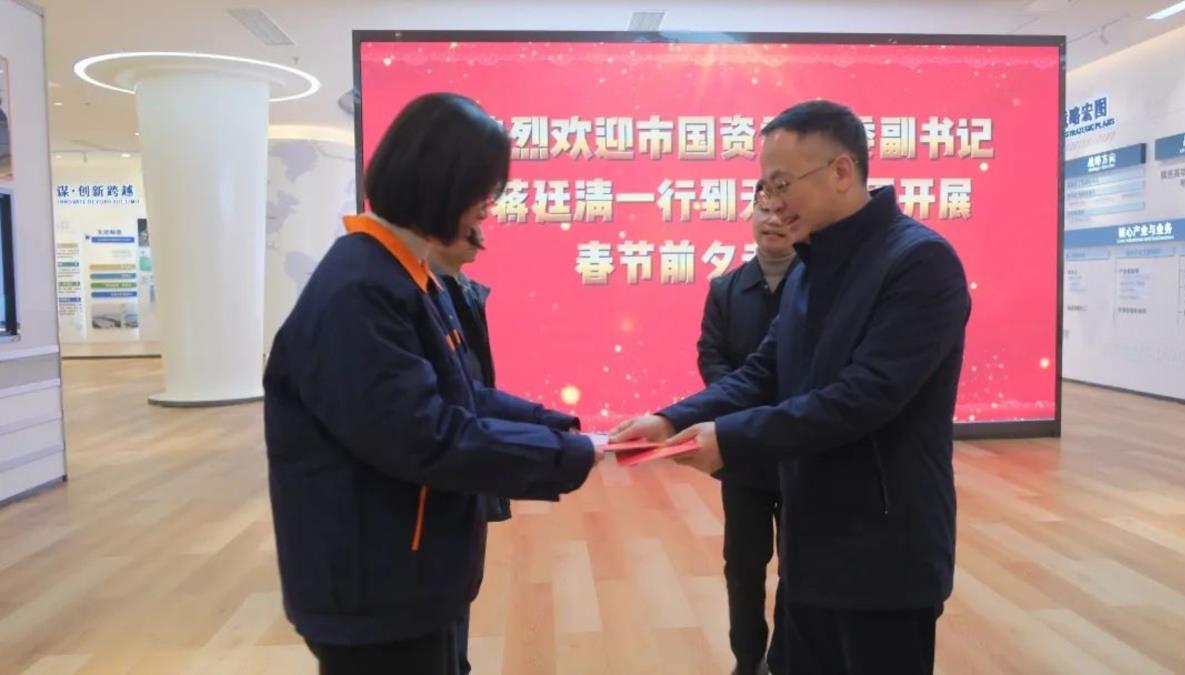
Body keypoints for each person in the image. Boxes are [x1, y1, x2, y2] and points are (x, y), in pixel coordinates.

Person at [612, 100, 971, 675]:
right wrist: (670, 419)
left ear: (841, 171)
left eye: (782, 184)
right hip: (810, 549)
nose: (772, 202)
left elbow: (863, 398)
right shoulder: (809, 265)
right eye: (764, 186)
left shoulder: (920, 262)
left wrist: (731, 439)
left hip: (885, 553)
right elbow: (764, 372)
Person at [264, 92, 601, 675]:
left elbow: (462, 395)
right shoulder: (360, 291)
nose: (486, 213)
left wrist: (561, 428)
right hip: (375, 588)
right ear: (443, 185)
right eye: (482, 194)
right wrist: (564, 455)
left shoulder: (406, 275)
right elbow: (425, 436)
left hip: (412, 574)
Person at [698, 183, 798, 675]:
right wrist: (743, 408)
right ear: (751, 215)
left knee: (799, 566)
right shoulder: (725, 288)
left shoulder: (819, 287)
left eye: (784, 211)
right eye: (764, 209)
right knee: (743, 564)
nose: (773, 219)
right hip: (741, 452)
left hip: (801, 449)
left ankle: (786, 658)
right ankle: (748, 657)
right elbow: (711, 357)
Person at [429, 219, 510, 675]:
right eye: (471, 218)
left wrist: (553, 426)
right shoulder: (401, 297)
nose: (481, 233)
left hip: (463, 481)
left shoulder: (460, 292)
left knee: (462, 590)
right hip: (430, 497)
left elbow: (474, 392)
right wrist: (557, 452)